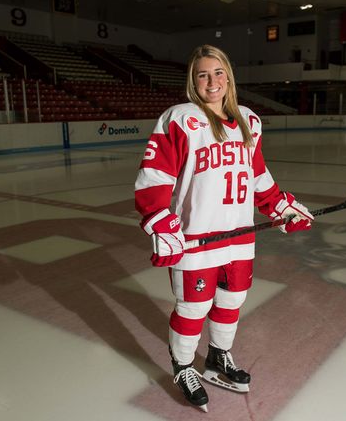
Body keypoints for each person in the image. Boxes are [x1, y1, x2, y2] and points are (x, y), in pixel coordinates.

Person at [134, 44, 314, 412]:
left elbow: (257, 175)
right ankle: (183, 366)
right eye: (203, 74)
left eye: (218, 73)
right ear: (193, 81)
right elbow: (154, 177)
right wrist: (161, 222)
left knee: (232, 301)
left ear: (229, 76)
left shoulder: (249, 120)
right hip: (196, 238)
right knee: (193, 306)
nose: (211, 81)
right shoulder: (180, 118)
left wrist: (281, 207)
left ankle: (218, 357)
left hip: (239, 237)